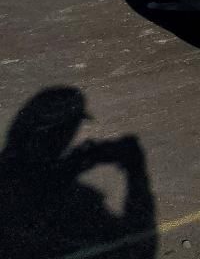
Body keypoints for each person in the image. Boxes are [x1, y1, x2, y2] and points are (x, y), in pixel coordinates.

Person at [0, 87, 156, 258]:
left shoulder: (12, 173)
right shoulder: (76, 207)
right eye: (72, 127)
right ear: (59, 132)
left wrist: (74, 164)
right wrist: (136, 171)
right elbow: (140, 248)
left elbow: (36, 181)